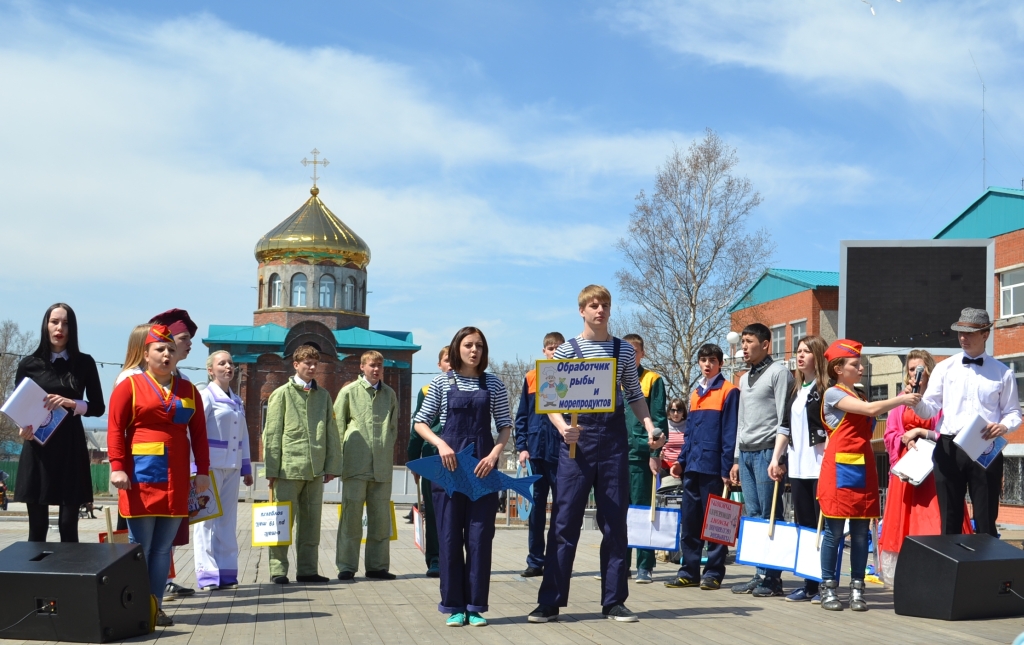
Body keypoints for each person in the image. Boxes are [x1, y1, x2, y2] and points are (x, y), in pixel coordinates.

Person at [529, 285, 660, 624]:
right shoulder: (567, 351)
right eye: (592, 305)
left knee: (615, 522)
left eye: (604, 305)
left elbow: (633, 393)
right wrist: (562, 428)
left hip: (614, 440)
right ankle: (550, 601)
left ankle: (614, 600)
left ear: (610, 310)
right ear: (582, 311)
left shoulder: (623, 351)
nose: (599, 310)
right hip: (576, 442)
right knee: (564, 521)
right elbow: (549, 399)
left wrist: (648, 425)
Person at [107, 324, 211, 627]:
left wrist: (202, 471)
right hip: (140, 479)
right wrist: (116, 467)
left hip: (176, 481)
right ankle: (134, 606)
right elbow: (115, 429)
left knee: (163, 549)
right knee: (141, 549)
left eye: (169, 350)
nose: (166, 354)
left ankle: (155, 606)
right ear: (146, 354)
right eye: (159, 349)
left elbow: (200, 434)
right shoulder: (130, 386)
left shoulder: (189, 390)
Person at [413, 327, 513, 628]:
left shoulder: (493, 384)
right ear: (457, 348)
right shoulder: (441, 382)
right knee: (449, 538)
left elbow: (505, 425)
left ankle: (476, 606)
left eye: (479, 346)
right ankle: (454, 605)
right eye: (468, 345)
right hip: (449, 473)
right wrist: (441, 443)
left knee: (480, 538)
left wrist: (495, 453)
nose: (474, 351)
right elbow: (420, 423)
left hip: (483, 470)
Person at [817, 339, 920, 612]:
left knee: (862, 534)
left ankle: (857, 587)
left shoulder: (859, 395)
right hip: (839, 472)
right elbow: (872, 410)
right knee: (834, 532)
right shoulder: (833, 395)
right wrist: (901, 398)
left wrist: (904, 395)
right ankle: (828, 586)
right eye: (855, 364)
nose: (861, 368)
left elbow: (873, 408)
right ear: (838, 368)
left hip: (862, 470)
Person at [911, 308, 1022, 538]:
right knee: (949, 519)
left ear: (985, 335)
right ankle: (951, 574)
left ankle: (986, 574)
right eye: (960, 332)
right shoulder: (944, 368)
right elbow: (930, 407)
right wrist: (915, 402)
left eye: (969, 333)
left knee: (986, 519)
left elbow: (1014, 413)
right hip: (949, 447)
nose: (963, 338)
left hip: (985, 446)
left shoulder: (1003, 373)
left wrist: (1003, 426)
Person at [880, 349, 973, 583]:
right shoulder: (901, 400)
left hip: (934, 471)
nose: (915, 373)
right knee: (905, 523)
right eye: (911, 369)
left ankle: (939, 568)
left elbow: (948, 431)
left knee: (936, 520)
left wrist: (923, 433)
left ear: (929, 370)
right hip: (908, 472)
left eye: (920, 368)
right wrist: (905, 439)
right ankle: (908, 573)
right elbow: (890, 433)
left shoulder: (939, 399)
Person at [13, 303, 104, 543]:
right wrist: (21, 428)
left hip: (70, 448)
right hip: (37, 449)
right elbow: (18, 407)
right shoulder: (28, 364)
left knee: (68, 526)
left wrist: (72, 403)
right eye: (54, 322)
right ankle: (35, 580)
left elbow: (98, 407)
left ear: (72, 328)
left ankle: (70, 579)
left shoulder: (84, 363)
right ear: (46, 325)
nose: (59, 328)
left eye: (65, 323)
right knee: (38, 528)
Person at [263, 344, 343, 584]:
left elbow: (331, 431)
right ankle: (278, 570)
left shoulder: (324, 396)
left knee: (311, 524)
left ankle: (307, 570)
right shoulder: (281, 394)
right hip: (288, 469)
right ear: (295, 364)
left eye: (315, 363)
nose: (311, 367)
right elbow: (272, 433)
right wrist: (271, 469)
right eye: (306, 363)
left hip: (315, 469)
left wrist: (331, 466)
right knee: (282, 522)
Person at [665, 343, 737, 591]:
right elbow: (689, 434)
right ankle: (689, 571)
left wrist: (727, 469)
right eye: (703, 360)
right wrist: (680, 462)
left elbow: (729, 433)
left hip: (713, 466)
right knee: (691, 520)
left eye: (712, 360)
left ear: (721, 363)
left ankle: (714, 573)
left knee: (716, 521)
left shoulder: (729, 391)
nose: (707, 364)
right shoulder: (695, 393)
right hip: (693, 466)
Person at [730, 323, 793, 597]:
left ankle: (773, 578)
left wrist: (779, 458)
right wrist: (735, 457)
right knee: (753, 516)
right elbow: (741, 420)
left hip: (768, 452)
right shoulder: (743, 378)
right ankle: (759, 573)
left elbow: (784, 418)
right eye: (742, 341)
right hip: (745, 452)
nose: (744, 346)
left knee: (770, 514)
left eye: (749, 341)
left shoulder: (779, 373)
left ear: (766, 344)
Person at [768, 335, 829, 602]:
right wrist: (775, 457)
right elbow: (784, 427)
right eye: (799, 351)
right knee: (803, 526)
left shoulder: (827, 389)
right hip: (798, 468)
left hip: (821, 468)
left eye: (806, 351)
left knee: (821, 527)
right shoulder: (795, 388)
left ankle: (825, 583)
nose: (800, 355)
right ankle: (809, 584)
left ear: (818, 356)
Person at [149, 309, 201, 602]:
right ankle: (146, 593)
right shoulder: (136, 378)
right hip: (147, 467)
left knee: (167, 531)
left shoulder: (181, 380)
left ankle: (164, 582)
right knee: (147, 535)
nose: (189, 344)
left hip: (176, 466)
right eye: (183, 338)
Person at [335, 350, 399, 580]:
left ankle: (377, 566)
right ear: (362, 367)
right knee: (351, 519)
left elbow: (393, 428)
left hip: (381, 467)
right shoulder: (348, 392)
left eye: (379, 366)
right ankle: (346, 566)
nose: (376, 369)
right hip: (355, 465)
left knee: (381, 520)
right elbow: (338, 427)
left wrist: (385, 448)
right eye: (372, 365)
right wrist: (338, 462)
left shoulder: (389, 394)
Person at [194, 351, 252, 591]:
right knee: (205, 520)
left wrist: (246, 467)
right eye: (222, 363)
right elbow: (195, 433)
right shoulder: (205, 396)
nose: (229, 366)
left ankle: (227, 573)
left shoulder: (237, 400)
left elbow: (245, 435)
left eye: (231, 362)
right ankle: (207, 575)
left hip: (232, 466)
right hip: (210, 467)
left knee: (227, 521)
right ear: (211, 370)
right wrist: (198, 468)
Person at [514, 331, 565, 578]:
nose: (554, 351)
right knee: (535, 509)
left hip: (562, 452)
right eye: (550, 348)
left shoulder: (572, 376)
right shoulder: (532, 378)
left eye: (558, 347)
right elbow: (522, 416)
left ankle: (557, 560)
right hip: (535, 451)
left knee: (562, 508)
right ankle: (535, 560)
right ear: (544, 351)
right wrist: (522, 446)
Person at [620, 334, 667, 585]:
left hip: (641, 454)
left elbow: (659, 418)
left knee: (642, 511)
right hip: (617, 454)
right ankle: (620, 565)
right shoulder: (614, 379)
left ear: (642, 353)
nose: (630, 355)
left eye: (634, 351)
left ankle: (645, 565)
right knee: (619, 514)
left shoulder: (652, 380)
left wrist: (655, 454)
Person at [407, 347, 450, 578]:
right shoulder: (428, 389)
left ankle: (453, 558)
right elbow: (418, 426)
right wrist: (414, 460)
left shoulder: (470, 387)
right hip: (432, 457)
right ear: (439, 365)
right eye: (446, 360)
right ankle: (434, 558)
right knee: (433, 512)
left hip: (459, 460)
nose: (451, 364)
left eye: (454, 360)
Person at [660, 398, 687, 474]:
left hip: (683, 467)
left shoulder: (688, 426)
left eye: (679, 410)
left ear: (683, 412)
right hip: (665, 467)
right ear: (669, 412)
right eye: (673, 410)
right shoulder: (664, 425)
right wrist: (659, 454)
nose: (676, 413)